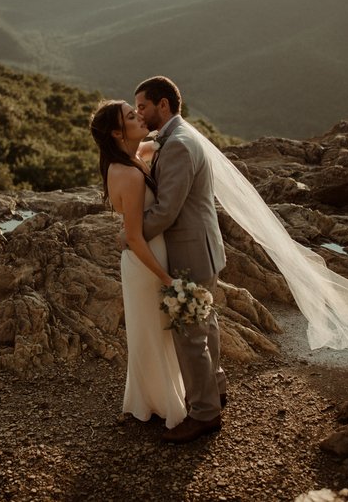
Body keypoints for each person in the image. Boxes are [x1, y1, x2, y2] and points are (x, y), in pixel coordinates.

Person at [134, 76, 228, 444]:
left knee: (191, 336)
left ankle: (204, 413)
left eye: (142, 106)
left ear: (163, 105)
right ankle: (216, 388)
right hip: (203, 247)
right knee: (207, 323)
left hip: (190, 252)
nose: (139, 113)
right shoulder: (184, 136)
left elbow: (167, 210)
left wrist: (132, 233)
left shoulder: (177, 145)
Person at [89, 100, 188, 431]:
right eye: (132, 116)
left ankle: (158, 396)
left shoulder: (133, 157)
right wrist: (165, 277)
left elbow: (156, 143)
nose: (140, 116)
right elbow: (132, 236)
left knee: (160, 333)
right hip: (145, 265)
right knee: (151, 334)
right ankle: (157, 402)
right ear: (118, 132)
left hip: (152, 256)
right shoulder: (128, 173)